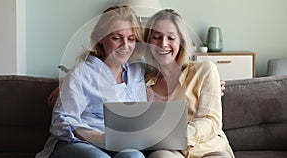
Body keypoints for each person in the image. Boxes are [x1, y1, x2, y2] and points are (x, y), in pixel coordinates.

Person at [36, 6, 147, 158]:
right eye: (116, 38)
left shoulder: (137, 72)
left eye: (131, 39)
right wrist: (103, 139)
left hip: (119, 146)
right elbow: (61, 121)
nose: (125, 46)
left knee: (135, 156)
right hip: (77, 143)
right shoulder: (83, 72)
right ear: (101, 38)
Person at [143, 9, 234, 158]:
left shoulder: (204, 70)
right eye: (156, 37)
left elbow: (210, 122)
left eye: (171, 38)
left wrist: (174, 136)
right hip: (170, 151)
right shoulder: (143, 82)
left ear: (182, 42)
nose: (163, 44)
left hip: (209, 149)